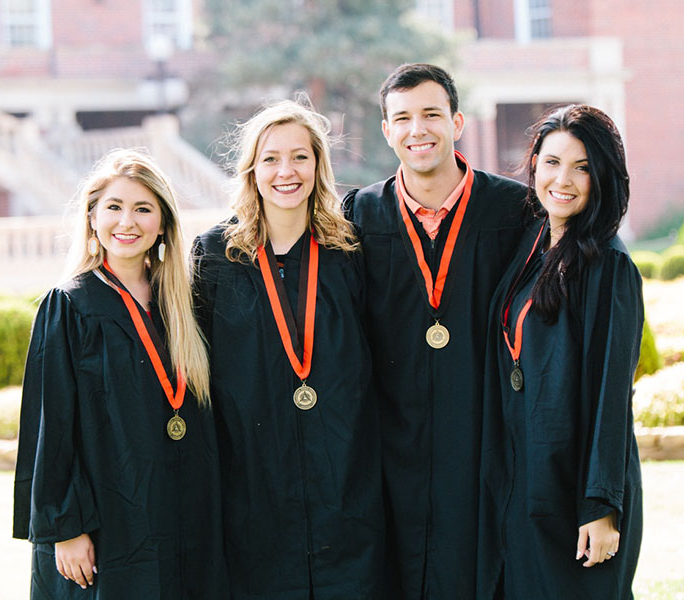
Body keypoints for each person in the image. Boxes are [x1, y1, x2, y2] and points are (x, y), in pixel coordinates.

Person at [342, 63, 527, 598]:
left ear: (458, 121)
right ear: (386, 130)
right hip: (389, 435)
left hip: (481, 432)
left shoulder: (512, 210)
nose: (417, 130)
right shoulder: (359, 214)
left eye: (430, 115)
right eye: (402, 118)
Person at [13, 148, 228, 599]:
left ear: (164, 223)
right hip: (107, 519)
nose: (127, 222)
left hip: (184, 508)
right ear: (92, 217)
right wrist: (65, 528)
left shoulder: (184, 306)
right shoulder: (69, 306)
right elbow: (50, 429)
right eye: (114, 207)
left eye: (143, 209)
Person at [191, 98, 384, 599]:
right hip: (254, 480)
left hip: (344, 475)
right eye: (271, 158)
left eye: (300, 156)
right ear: (251, 168)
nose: (286, 171)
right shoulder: (215, 256)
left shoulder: (350, 250)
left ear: (319, 165)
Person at [477, 104, 643, 599]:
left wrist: (601, 505)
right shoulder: (533, 249)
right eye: (551, 163)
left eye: (582, 167)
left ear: (603, 176)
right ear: (534, 166)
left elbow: (612, 394)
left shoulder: (608, 265)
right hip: (526, 477)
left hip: (577, 487)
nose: (562, 180)